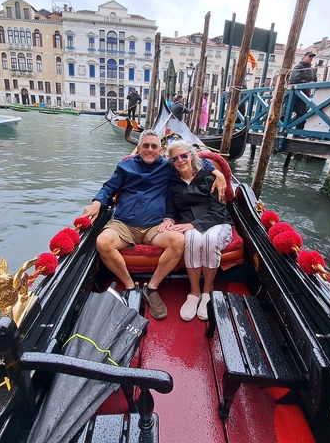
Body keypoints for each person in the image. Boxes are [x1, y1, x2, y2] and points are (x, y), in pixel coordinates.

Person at [81, 130, 227, 320]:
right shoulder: (125, 166)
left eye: (154, 146)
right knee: (102, 242)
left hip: (154, 227)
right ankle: (130, 286)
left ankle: (152, 288)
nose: (150, 150)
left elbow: (192, 160)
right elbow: (108, 188)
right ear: (139, 147)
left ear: (160, 149)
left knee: (178, 240)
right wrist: (96, 203)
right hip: (124, 224)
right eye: (146, 146)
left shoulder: (168, 166)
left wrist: (218, 173)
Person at [161, 141, 233, 321]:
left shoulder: (209, 177)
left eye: (184, 156)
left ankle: (207, 291)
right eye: (175, 158)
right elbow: (170, 209)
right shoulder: (173, 183)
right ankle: (194, 293)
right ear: (172, 162)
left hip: (217, 222)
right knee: (191, 240)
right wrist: (169, 218)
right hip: (188, 224)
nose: (180, 160)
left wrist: (194, 224)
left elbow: (218, 212)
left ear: (191, 155)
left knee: (209, 240)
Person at [289, 51, 317, 131]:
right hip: (294, 94)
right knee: (287, 112)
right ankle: (280, 130)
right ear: (304, 57)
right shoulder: (298, 67)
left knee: (302, 113)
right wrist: (308, 83)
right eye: (309, 57)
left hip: (304, 94)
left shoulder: (312, 70)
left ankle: (298, 132)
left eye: (312, 57)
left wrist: (312, 83)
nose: (310, 59)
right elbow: (296, 79)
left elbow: (315, 79)